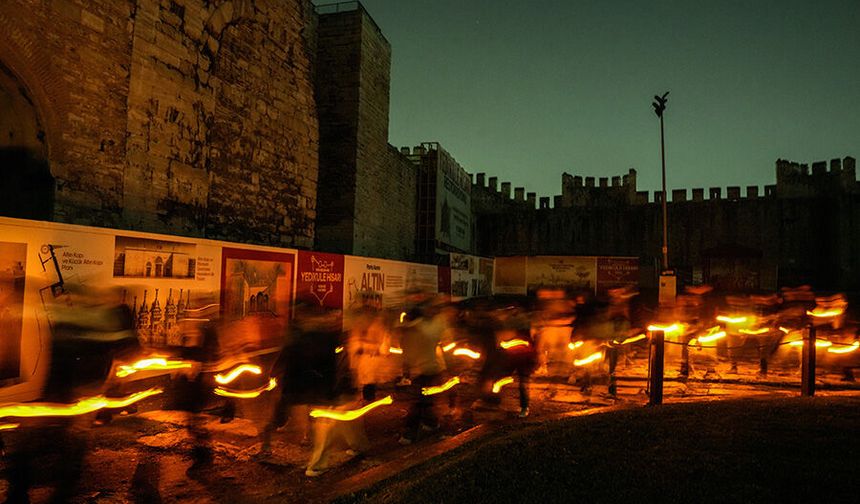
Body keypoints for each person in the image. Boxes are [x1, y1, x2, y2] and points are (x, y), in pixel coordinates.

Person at [398, 302, 448, 444]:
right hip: (426, 370)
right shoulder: (421, 330)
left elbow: (408, 354)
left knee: (419, 402)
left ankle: (410, 433)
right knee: (423, 401)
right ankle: (431, 425)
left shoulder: (414, 332)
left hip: (424, 371)